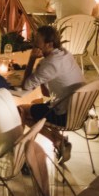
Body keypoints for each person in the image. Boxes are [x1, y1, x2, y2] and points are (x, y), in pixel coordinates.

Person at [19, 25, 85, 163]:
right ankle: (59, 141)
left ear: (49, 44)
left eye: (37, 43)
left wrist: (31, 59)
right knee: (35, 106)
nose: (34, 46)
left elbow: (25, 86)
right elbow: (46, 92)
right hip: (80, 110)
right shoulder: (64, 53)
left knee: (21, 110)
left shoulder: (50, 64)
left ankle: (22, 155)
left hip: (65, 115)